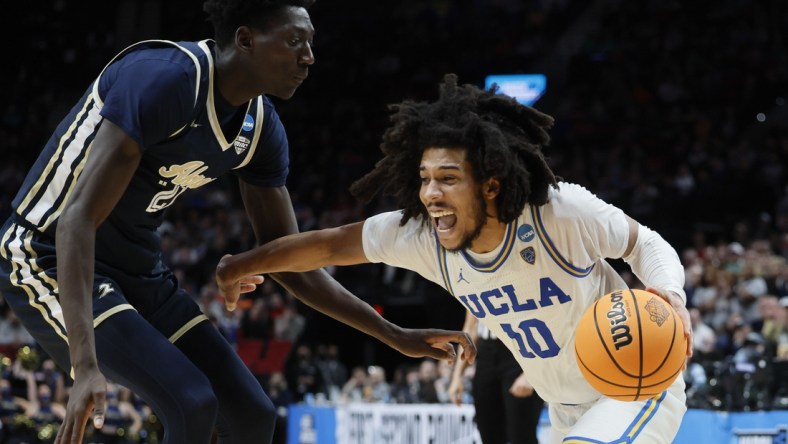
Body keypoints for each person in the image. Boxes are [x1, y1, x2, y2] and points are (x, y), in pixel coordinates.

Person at [0, 2, 476, 443]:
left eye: (311, 43)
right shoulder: (166, 78)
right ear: (245, 39)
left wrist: (394, 336)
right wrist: (84, 367)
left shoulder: (261, 130)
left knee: (253, 414)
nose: (309, 57)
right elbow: (76, 221)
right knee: (192, 402)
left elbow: (293, 261)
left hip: (139, 271)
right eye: (295, 41)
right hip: (45, 253)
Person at [216, 73, 694, 443]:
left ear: (490, 184)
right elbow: (328, 244)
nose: (429, 193)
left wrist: (670, 295)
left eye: (447, 178)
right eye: (423, 177)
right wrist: (242, 265)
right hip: (567, 404)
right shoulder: (422, 237)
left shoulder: (559, 211)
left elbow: (646, 244)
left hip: (636, 380)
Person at [448, 309, 544, 444]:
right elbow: (470, 329)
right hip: (486, 354)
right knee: (488, 433)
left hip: (521, 351)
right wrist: (457, 376)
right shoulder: (472, 287)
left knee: (522, 435)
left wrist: (530, 374)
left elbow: (545, 322)